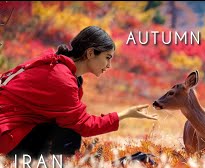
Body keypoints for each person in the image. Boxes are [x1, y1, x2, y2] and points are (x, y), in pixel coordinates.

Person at [0, 26, 158, 158]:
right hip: (7, 133)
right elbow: (85, 125)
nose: (109, 65)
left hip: (13, 127)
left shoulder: (59, 67)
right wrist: (125, 114)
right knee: (70, 131)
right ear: (90, 53)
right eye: (107, 57)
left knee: (67, 127)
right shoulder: (62, 79)